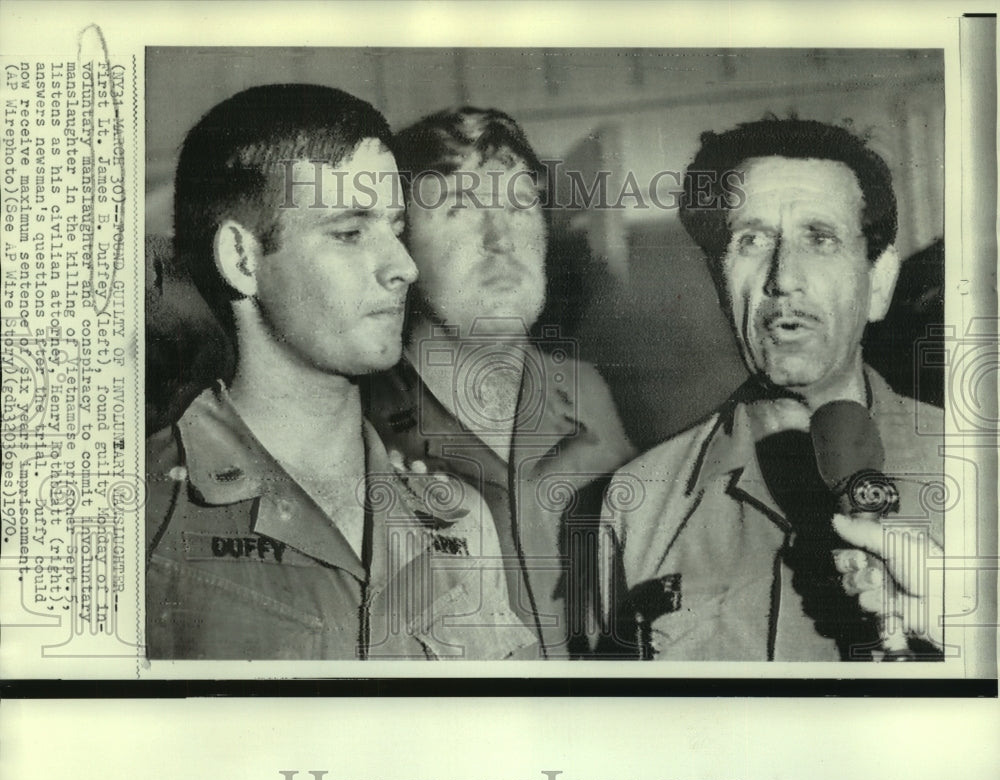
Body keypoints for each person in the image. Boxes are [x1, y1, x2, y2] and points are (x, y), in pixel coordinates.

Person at [145, 85, 537, 660]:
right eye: (350, 233)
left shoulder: (454, 519)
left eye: (396, 229)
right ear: (243, 259)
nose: (403, 266)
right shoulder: (132, 519)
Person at [598, 118, 945, 661]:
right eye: (752, 240)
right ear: (718, 283)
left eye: (821, 238)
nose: (784, 277)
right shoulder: (635, 505)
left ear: (878, 283)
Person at [363, 107, 635, 658]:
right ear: (400, 243)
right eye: (459, 208)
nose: (500, 238)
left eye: (518, 203)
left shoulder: (589, 395)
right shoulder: (351, 425)